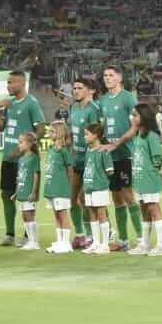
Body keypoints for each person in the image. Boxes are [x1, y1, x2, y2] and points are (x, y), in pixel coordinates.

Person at [0, 70, 46, 246]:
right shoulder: (10, 104)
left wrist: (26, 150)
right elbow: (0, 128)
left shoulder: (31, 103)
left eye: (10, 82)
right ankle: (9, 234)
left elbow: (41, 129)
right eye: (7, 83)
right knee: (6, 194)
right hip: (8, 158)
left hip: (24, 161)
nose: (7, 86)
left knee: (26, 197)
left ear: (21, 83)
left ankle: (27, 235)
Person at [95, 65, 140, 252]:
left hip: (126, 154)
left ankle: (141, 237)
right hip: (110, 156)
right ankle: (122, 239)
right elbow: (102, 126)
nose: (107, 78)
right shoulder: (103, 100)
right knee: (116, 198)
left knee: (129, 196)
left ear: (120, 77)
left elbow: (135, 126)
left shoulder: (129, 98)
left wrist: (118, 143)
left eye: (111, 75)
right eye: (105, 75)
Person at [64, 76, 102, 248]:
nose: (76, 91)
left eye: (80, 88)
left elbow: (96, 134)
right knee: (71, 198)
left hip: (89, 160)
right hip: (76, 159)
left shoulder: (93, 109)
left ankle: (98, 234)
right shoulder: (73, 108)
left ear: (89, 90)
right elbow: (73, 134)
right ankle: (80, 235)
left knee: (88, 199)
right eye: (75, 88)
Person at [129, 103, 162, 256]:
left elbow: (159, 156)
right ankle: (145, 244)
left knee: (153, 208)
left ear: (144, 117)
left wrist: (153, 171)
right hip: (139, 178)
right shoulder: (139, 134)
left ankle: (161, 246)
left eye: (135, 115)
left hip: (149, 178)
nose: (133, 117)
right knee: (144, 210)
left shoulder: (151, 135)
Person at [79, 123, 114, 254]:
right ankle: (96, 242)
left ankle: (105, 245)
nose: (85, 136)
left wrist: (101, 181)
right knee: (91, 214)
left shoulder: (103, 151)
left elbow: (110, 171)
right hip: (88, 187)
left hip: (99, 187)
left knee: (101, 213)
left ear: (95, 135)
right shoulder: (89, 150)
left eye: (87, 134)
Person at [42, 122, 75, 254]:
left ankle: (66, 243)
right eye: (49, 131)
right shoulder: (51, 149)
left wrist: (69, 187)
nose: (49, 134)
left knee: (63, 214)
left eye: (52, 131)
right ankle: (59, 241)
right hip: (51, 188)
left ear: (59, 133)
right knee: (56, 215)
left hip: (61, 188)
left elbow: (70, 170)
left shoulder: (64, 151)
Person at [12, 131, 42, 250]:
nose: (19, 145)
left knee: (30, 216)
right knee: (24, 216)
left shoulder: (33, 158)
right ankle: (30, 241)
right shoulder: (21, 159)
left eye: (21, 142)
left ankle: (34, 242)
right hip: (22, 192)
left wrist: (34, 192)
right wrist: (16, 192)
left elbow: (36, 175)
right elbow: (19, 177)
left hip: (29, 192)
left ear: (29, 144)